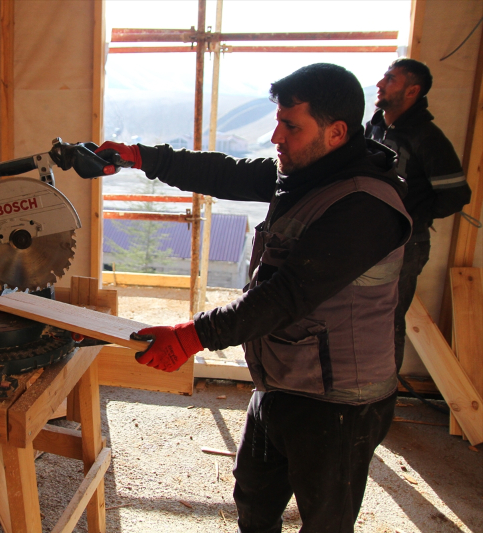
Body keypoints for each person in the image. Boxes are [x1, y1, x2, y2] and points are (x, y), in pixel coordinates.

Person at [94, 63, 413, 532]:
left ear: (337, 132)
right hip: (282, 378)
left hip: (340, 402)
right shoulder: (309, 172)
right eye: (278, 120)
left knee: (326, 520)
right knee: (254, 499)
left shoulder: (365, 204)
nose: (275, 135)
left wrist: (191, 335)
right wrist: (140, 157)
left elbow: (285, 296)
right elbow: (226, 173)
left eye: (290, 125)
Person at [365, 58, 471, 373]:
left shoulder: (427, 137)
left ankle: (381, 403)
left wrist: (411, 217)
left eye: (391, 79)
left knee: (388, 322)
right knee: (360, 318)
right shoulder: (376, 125)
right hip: (371, 240)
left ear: (412, 91)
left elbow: (456, 195)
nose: (381, 85)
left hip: (406, 246)